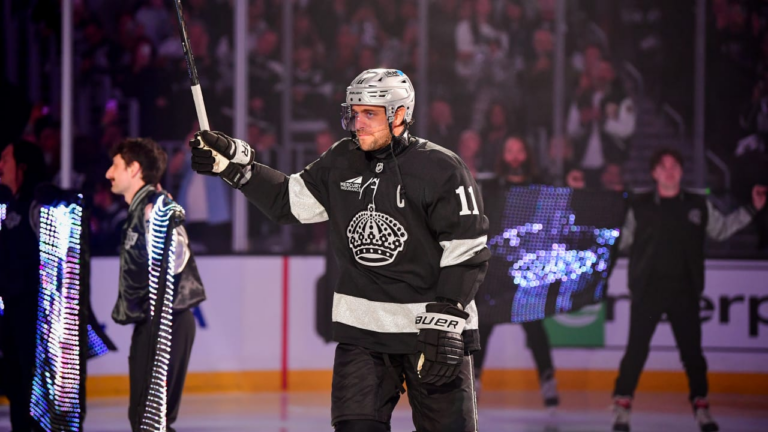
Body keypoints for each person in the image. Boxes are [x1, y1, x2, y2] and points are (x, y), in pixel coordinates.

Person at [190, 68, 490, 432]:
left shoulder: (443, 168)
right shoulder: (340, 159)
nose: (357, 123)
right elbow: (288, 201)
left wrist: (448, 318)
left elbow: (466, 248)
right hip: (363, 334)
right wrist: (235, 168)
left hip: (431, 331)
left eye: (370, 114)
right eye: (354, 112)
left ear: (399, 115)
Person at [612, 149, 767, 432]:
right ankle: (622, 407)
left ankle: (701, 407)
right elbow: (621, 241)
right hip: (648, 290)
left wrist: (752, 208)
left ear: (681, 172)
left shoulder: (698, 204)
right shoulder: (640, 206)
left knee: (692, 353)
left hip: (684, 291)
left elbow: (721, 230)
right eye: (663, 166)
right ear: (654, 173)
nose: (670, 171)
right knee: (636, 350)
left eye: (675, 166)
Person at [106, 138, 206, 432]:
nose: (108, 174)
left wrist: (158, 231)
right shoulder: (140, 209)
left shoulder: (157, 207)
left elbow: (177, 255)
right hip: (153, 322)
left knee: (151, 421)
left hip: (167, 322)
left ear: (134, 169)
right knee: (146, 421)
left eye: (115, 166)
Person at [475, 137, 559, 408]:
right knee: (483, 323)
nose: (514, 156)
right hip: (495, 267)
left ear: (527, 154)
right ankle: (473, 380)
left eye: (519, 150)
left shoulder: (539, 188)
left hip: (528, 268)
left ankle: (548, 380)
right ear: (502, 155)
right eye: (508, 150)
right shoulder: (488, 188)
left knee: (534, 325)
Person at [0, 140, 49, 431]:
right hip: (11, 312)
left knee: (33, 385)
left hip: (34, 314)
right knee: (14, 385)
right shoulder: (7, 206)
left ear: (22, 167)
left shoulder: (37, 205)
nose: (0, 166)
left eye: (5, 159)